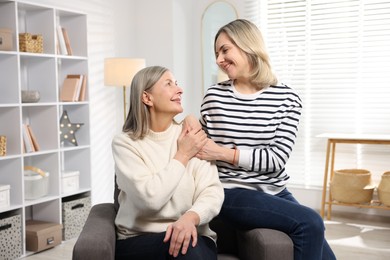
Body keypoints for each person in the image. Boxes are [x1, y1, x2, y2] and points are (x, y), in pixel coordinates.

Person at [196, 19, 336, 260]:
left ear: (248, 45)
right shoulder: (214, 96)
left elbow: (276, 159)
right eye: (216, 53)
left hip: (275, 189)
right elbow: (199, 143)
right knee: (311, 221)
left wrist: (223, 153)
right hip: (229, 190)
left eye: (225, 50)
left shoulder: (287, 98)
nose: (219, 59)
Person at [112, 66, 224, 260]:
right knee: (185, 248)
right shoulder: (125, 143)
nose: (179, 90)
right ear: (147, 98)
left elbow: (212, 192)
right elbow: (150, 199)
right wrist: (183, 155)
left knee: (188, 246)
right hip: (140, 239)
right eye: (169, 84)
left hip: (193, 234)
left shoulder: (192, 135)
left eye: (177, 84)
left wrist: (191, 217)